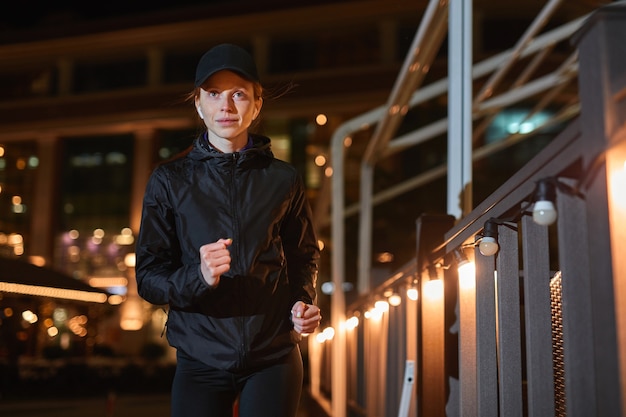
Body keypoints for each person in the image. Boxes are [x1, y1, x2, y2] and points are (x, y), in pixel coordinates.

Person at [135, 43, 322, 417]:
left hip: (274, 355)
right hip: (200, 358)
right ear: (198, 104)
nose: (226, 106)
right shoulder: (169, 181)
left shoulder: (283, 179)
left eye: (239, 94)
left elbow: (304, 256)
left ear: (257, 104)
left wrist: (302, 302)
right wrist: (199, 275)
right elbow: (148, 279)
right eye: (214, 94)